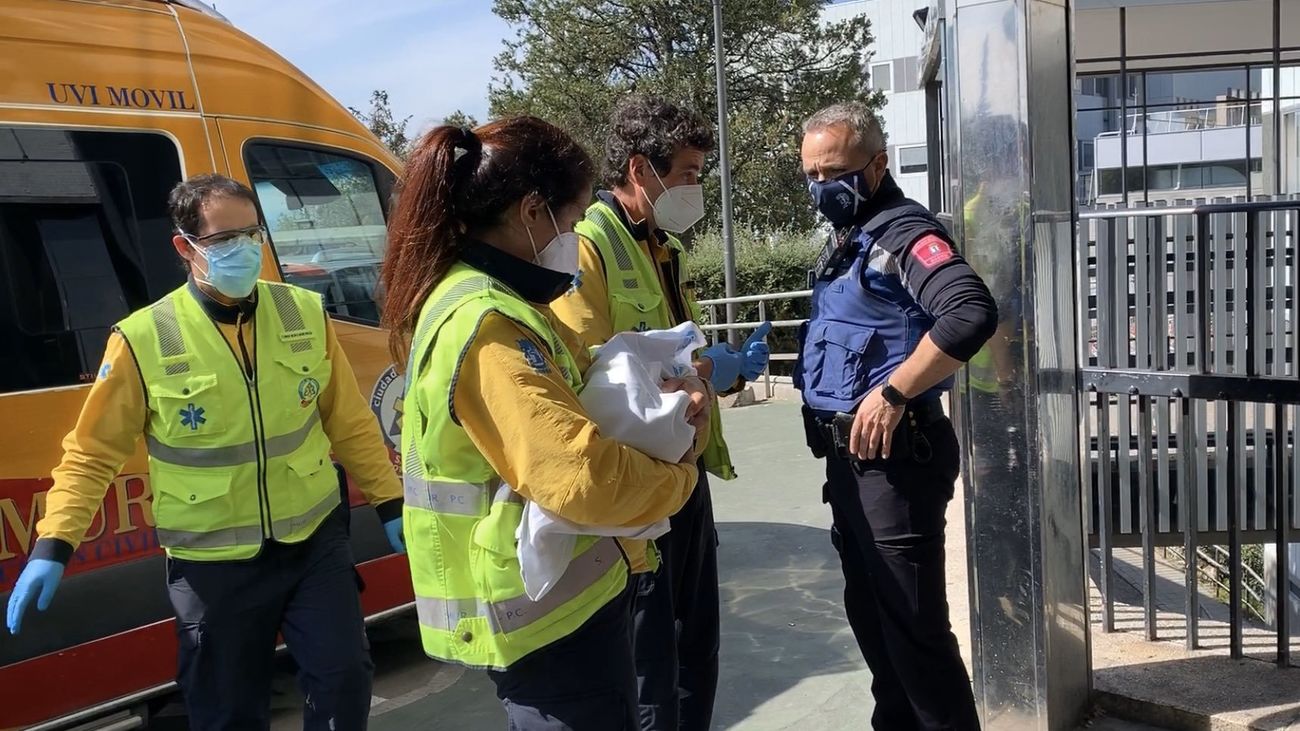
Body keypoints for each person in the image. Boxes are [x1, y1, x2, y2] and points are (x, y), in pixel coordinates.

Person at [5, 174, 405, 730]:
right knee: (226, 711)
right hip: (213, 567)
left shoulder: (302, 313)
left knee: (344, 681)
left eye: (251, 235)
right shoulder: (146, 338)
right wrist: (54, 542)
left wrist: (390, 502)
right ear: (184, 246)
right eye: (222, 241)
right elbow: (92, 454)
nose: (242, 251)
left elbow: (348, 420)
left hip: (314, 541)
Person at [379, 117, 707, 731]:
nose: (578, 238)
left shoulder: (498, 302)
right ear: (533, 213)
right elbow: (582, 478)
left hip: (558, 596)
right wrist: (681, 475)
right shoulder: (485, 324)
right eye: (576, 217)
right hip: (543, 613)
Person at [548, 94, 771, 731]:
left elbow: (672, 349)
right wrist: (706, 371)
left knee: (696, 643)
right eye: (689, 174)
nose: (697, 187)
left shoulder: (661, 247)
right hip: (636, 485)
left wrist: (718, 372)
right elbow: (591, 371)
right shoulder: (585, 249)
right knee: (651, 658)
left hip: (683, 472)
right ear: (641, 169)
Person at [795, 102, 997, 731]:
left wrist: (894, 393)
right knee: (877, 629)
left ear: (877, 165)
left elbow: (969, 313)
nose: (822, 187)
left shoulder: (907, 235)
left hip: (897, 465)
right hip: (852, 465)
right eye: (810, 175)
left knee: (915, 637)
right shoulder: (850, 238)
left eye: (835, 171)